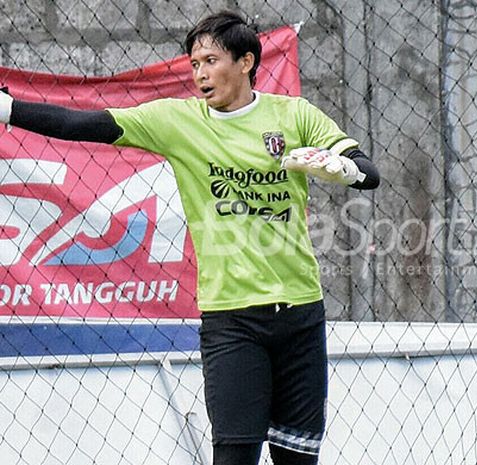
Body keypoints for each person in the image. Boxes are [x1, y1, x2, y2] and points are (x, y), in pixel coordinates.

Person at [0, 10, 380, 465]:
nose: (199, 73)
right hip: (232, 319)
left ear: (245, 62)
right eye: (194, 63)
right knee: (234, 457)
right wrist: (8, 110)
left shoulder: (293, 115)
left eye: (210, 60)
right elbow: (83, 125)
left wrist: (341, 166)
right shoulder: (179, 121)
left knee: (297, 460)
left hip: (301, 317)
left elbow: (367, 173)